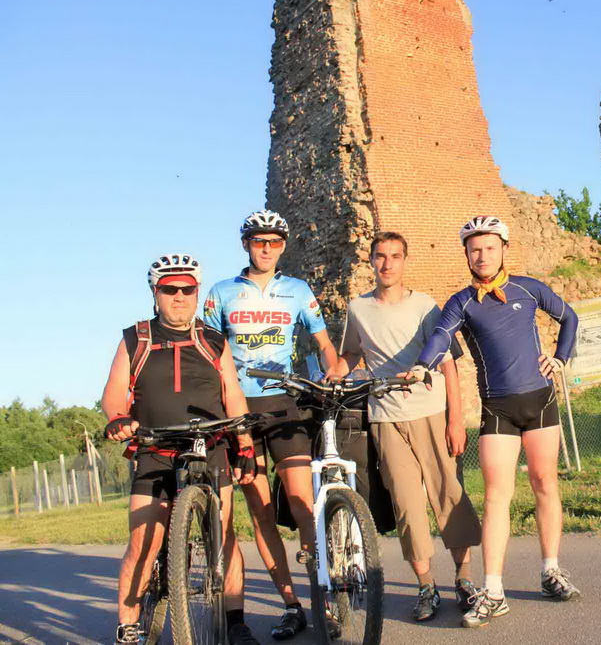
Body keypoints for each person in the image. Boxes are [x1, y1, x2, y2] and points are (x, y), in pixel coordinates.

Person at [409, 216, 581, 628]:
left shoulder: (528, 288)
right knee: (496, 497)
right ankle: (494, 590)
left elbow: (570, 318)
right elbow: (440, 336)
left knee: (545, 483)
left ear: (504, 249)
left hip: (541, 400)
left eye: (489, 247)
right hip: (498, 408)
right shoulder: (462, 302)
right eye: (474, 249)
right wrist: (422, 365)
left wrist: (560, 358)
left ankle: (551, 571)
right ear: (466, 255)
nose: (482, 255)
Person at [101, 253, 259, 645]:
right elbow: (114, 391)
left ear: (196, 292)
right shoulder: (136, 339)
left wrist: (244, 443)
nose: (179, 296)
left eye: (187, 289)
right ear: (154, 293)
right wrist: (118, 417)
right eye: (169, 289)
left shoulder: (213, 340)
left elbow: (233, 394)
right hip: (154, 449)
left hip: (211, 446)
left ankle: (236, 623)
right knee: (144, 541)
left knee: (223, 536)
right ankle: (129, 627)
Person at [203, 210, 342, 640]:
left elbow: (323, 344)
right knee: (260, 512)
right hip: (237, 408)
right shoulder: (222, 292)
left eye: (275, 242)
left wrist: (334, 372)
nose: (266, 249)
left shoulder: (297, 290)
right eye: (259, 241)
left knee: (303, 503)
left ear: (283, 246)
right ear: (246, 245)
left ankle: (325, 597)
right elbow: (206, 352)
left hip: (282, 405)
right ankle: (291, 605)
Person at [333, 231, 482, 621]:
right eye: (380, 256)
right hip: (385, 417)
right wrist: (333, 373)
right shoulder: (358, 309)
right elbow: (352, 353)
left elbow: (448, 363)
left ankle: (464, 580)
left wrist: (455, 420)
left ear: (405, 260)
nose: (387, 264)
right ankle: (426, 587)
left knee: (448, 495)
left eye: (395, 256)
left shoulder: (425, 306)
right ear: (370, 260)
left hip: (430, 412)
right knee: (407, 505)